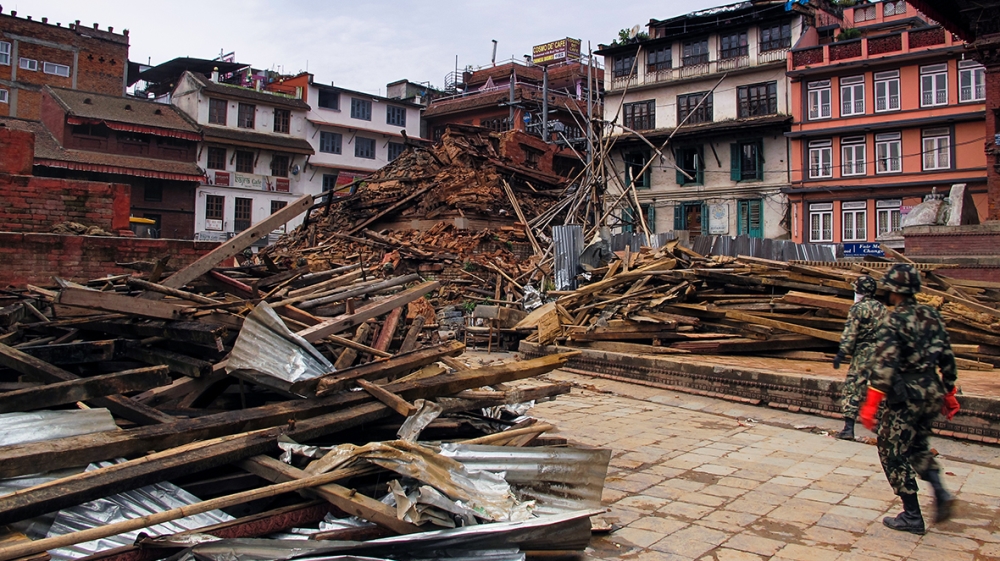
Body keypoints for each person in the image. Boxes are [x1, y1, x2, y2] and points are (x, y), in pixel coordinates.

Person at [860, 263, 961, 534]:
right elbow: (947, 356)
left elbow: (884, 365)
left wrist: (871, 405)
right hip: (931, 390)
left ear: (894, 291)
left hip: (906, 395)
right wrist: (949, 392)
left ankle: (911, 514)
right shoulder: (932, 315)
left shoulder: (894, 320)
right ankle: (940, 490)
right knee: (917, 446)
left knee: (891, 451)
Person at [833, 275, 887, 440]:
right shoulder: (882, 308)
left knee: (853, 387)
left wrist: (842, 352)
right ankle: (882, 426)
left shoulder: (857, 309)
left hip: (863, 353)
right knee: (878, 388)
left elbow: (851, 333)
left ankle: (849, 428)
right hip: (881, 353)